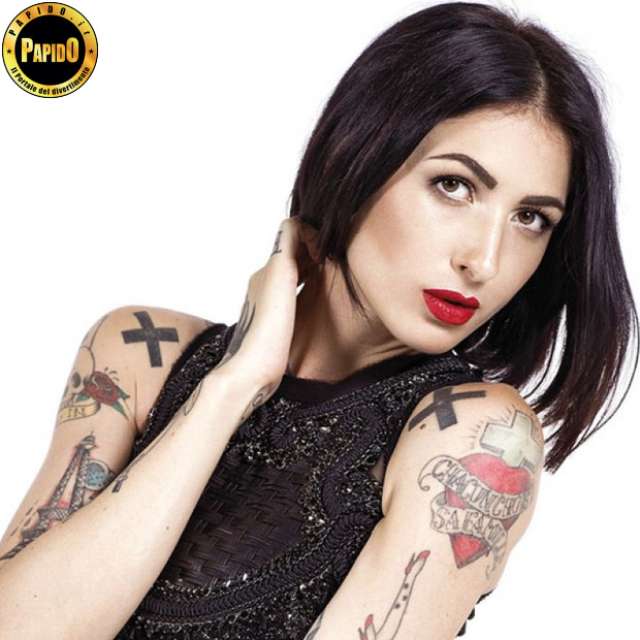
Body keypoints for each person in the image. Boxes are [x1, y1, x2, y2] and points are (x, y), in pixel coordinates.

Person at [0, 2, 636, 639]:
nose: (485, 261)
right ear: (357, 157)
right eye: (453, 186)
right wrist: (232, 387)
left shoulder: (470, 433)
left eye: (531, 219)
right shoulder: (141, 355)